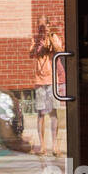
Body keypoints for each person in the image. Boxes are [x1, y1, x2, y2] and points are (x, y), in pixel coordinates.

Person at [29, 15, 64, 156]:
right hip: (39, 80)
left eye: (44, 26)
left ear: (48, 25)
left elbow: (60, 50)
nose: (41, 29)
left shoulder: (53, 36)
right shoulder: (35, 39)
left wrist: (49, 35)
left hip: (51, 80)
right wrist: (38, 45)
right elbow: (31, 54)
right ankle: (42, 146)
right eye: (39, 26)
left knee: (53, 113)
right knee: (40, 113)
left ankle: (55, 146)